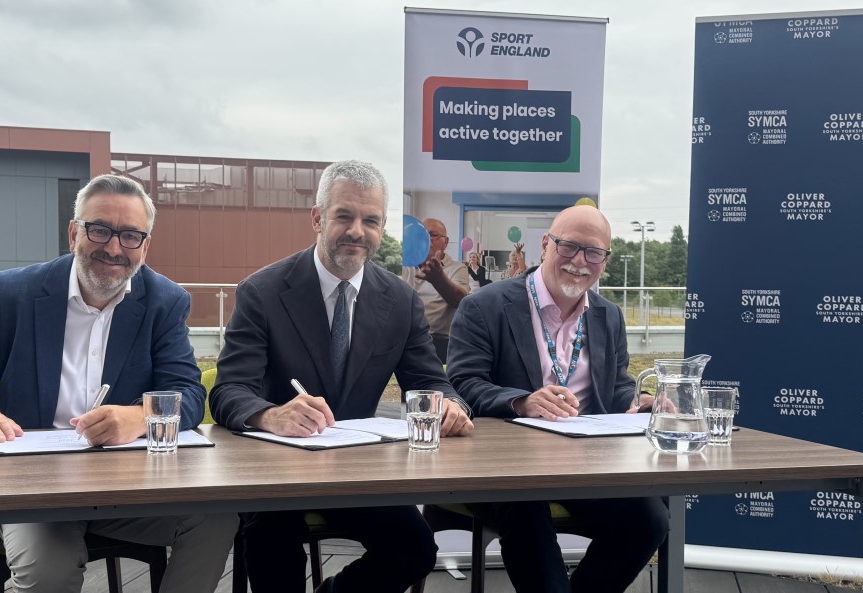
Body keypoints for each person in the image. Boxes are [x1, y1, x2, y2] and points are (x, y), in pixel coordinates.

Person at [0, 174, 237, 593]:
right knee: (47, 575)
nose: (113, 248)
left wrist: (139, 416)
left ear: (145, 245)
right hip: (34, 489)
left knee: (215, 519)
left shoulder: (165, 302)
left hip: (131, 487)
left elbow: (190, 393)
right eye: (100, 229)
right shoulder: (15, 293)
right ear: (74, 232)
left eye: (130, 236)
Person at [210, 160, 474, 593]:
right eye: (344, 216)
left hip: (359, 471)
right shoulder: (262, 292)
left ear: (381, 227)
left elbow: (431, 381)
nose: (357, 231)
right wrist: (269, 415)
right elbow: (228, 391)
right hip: (278, 473)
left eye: (370, 220)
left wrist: (449, 404)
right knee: (271, 549)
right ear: (317, 218)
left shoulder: (401, 302)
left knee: (415, 547)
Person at [447, 205, 668, 593]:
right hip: (509, 466)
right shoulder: (483, 306)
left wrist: (641, 400)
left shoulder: (608, 316)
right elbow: (464, 383)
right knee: (526, 510)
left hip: (588, 464)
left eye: (594, 252)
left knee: (650, 519)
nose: (580, 261)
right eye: (569, 247)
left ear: (605, 260)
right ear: (546, 245)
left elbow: (615, 386)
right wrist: (522, 402)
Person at [401, 217, 470, 362]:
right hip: (404, 339)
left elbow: (462, 301)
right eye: (421, 235)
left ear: (445, 242)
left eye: (432, 235)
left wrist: (439, 280)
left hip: (439, 343)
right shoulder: (405, 266)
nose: (426, 239)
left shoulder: (457, 268)